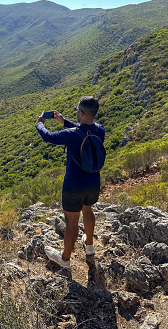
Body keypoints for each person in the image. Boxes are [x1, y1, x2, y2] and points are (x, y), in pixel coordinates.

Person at [36, 96, 105, 268]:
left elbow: (48, 136)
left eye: (77, 110)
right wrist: (64, 121)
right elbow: (84, 129)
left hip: (74, 186)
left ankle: (65, 259)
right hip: (93, 182)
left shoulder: (70, 135)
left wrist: (39, 123)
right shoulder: (100, 130)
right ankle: (89, 246)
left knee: (71, 223)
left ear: (81, 112)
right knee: (87, 210)